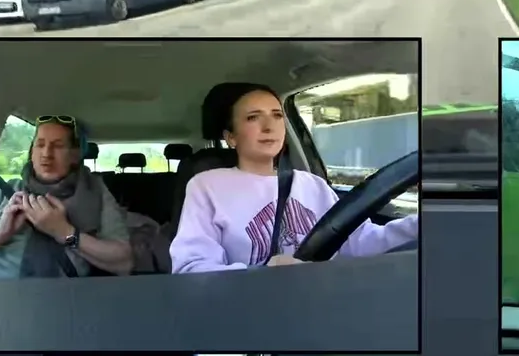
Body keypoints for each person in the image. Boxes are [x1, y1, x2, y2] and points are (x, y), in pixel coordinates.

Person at [170, 83, 419, 272]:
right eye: (253, 117)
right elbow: (192, 268)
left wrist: (421, 224)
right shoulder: (207, 186)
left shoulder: (312, 184)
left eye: (277, 115)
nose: (269, 126)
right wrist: (262, 271)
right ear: (231, 137)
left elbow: (359, 242)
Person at [0, 115, 133, 278]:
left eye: (58, 146)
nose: (46, 154)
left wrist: (65, 232)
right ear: (32, 152)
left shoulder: (96, 193)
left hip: (66, 300)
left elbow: (124, 262)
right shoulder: (3, 195)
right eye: (40, 144)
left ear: (75, 155)